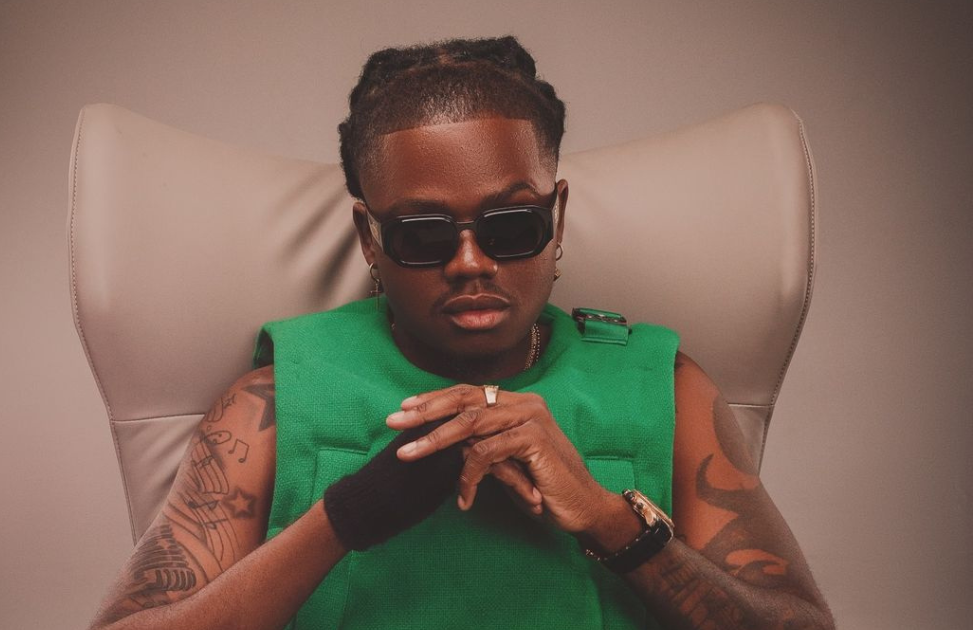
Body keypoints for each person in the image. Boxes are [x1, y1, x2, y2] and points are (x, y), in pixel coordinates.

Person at [88, 36, 834, 630]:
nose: (471, 263)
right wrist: (347, 516)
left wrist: (608, 518)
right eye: (423, 233)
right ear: (370, 239)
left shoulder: (664, 385)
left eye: (512, 226)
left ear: (557, 217)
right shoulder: (271, 403)